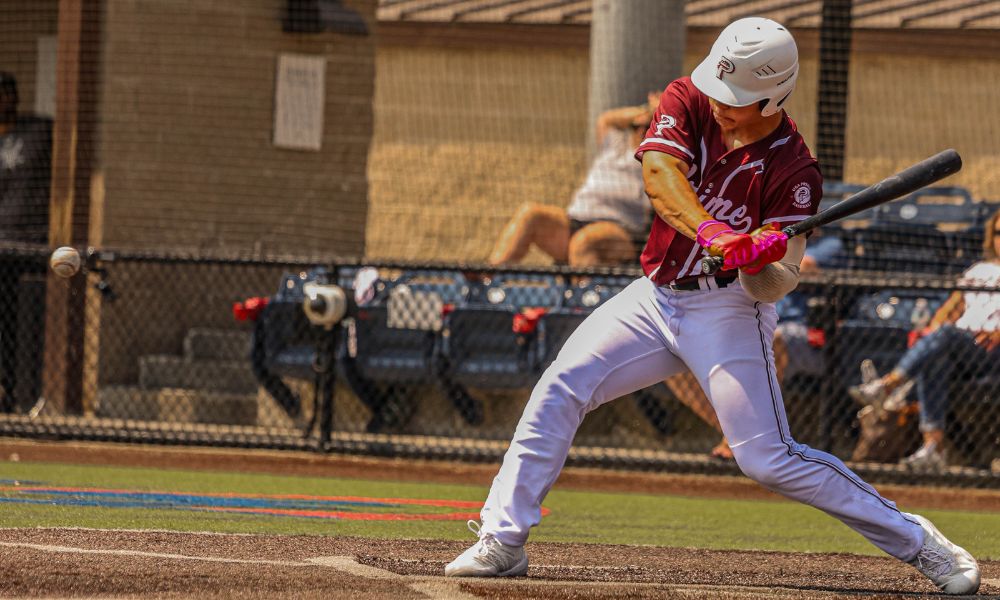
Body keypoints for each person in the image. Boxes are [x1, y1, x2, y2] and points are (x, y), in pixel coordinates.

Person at [444, 18, 979, 595]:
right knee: (560, 386)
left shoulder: (794, 170)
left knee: (766, 460)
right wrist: (716, 233)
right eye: (720, 92)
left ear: (774, 95)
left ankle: (923, 543)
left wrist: (758, 259)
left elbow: (775, 285)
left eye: (738, 100)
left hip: (727, 311)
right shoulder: (688, 98)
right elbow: (659, 174)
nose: (721, 105)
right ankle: (504, 539)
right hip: (654, 296)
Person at [668, 230, 844, 460]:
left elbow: (802, 266)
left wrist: (758, 251)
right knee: (671, 357)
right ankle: (739, 435)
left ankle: (744, 437)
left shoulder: (830, 243)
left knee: (775, 341)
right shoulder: (765, 232)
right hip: (756, 321)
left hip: (803, 331)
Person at [849, 208, 1000, 472]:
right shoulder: (979, 269)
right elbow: (950, 309)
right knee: (936, 354)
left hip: (992, 351)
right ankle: (934, 448)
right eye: (998, 233)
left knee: (943, 336)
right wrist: (932, 333)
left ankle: (889, 384)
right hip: (959, 346)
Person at [488, 95, 657, 267]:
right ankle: (488, 278)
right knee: (530, 214)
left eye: (649, 126)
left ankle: (580, 293)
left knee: (583, 243)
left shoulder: (656, 158)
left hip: (621, 230)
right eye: (638, 126)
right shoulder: (615, 144)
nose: (642, 131)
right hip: (576, 219)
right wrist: (646, 110)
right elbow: (606, 119)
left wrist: (659, 112)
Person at [0, 71, 52, 413]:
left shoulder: (39, 131)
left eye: (9, 93)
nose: (5, 99)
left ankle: (28, 394)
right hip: (0, 247)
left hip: (31, 243)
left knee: (29, 319)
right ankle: (4, 390)